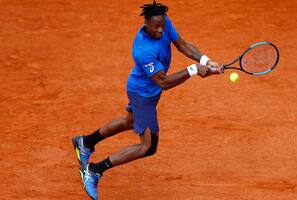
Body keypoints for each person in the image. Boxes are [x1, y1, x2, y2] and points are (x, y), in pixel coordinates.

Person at [72, 1, 223, 199]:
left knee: (130, 121)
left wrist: (205, 61)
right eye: (156, 27)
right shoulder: (143, 50)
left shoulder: (163, 21)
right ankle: (94, 170)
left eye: (162, 25)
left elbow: (182, 44)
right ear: (146, 23)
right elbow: (163, 82)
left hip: (146, 90)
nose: (161, 30)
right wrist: (193, 70)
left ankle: (85, 142)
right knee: (147, 146)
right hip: (143, 94)